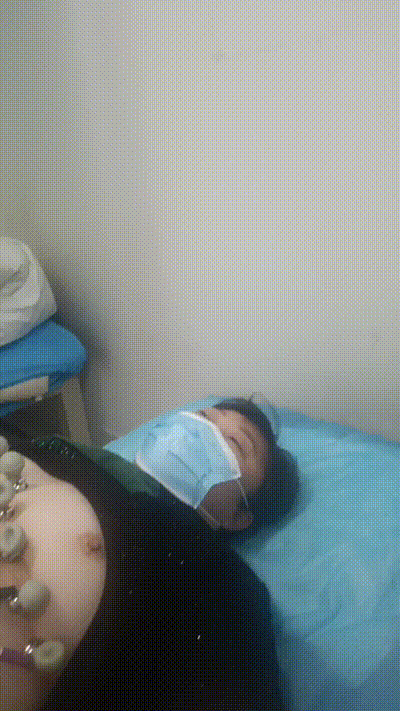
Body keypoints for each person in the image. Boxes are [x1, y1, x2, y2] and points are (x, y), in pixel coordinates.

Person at [0, 396, 297, 710]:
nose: (199, 430)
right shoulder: (68, 451)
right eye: (204, 416)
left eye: (235, 442)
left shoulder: (225, 585)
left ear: (239, 517)